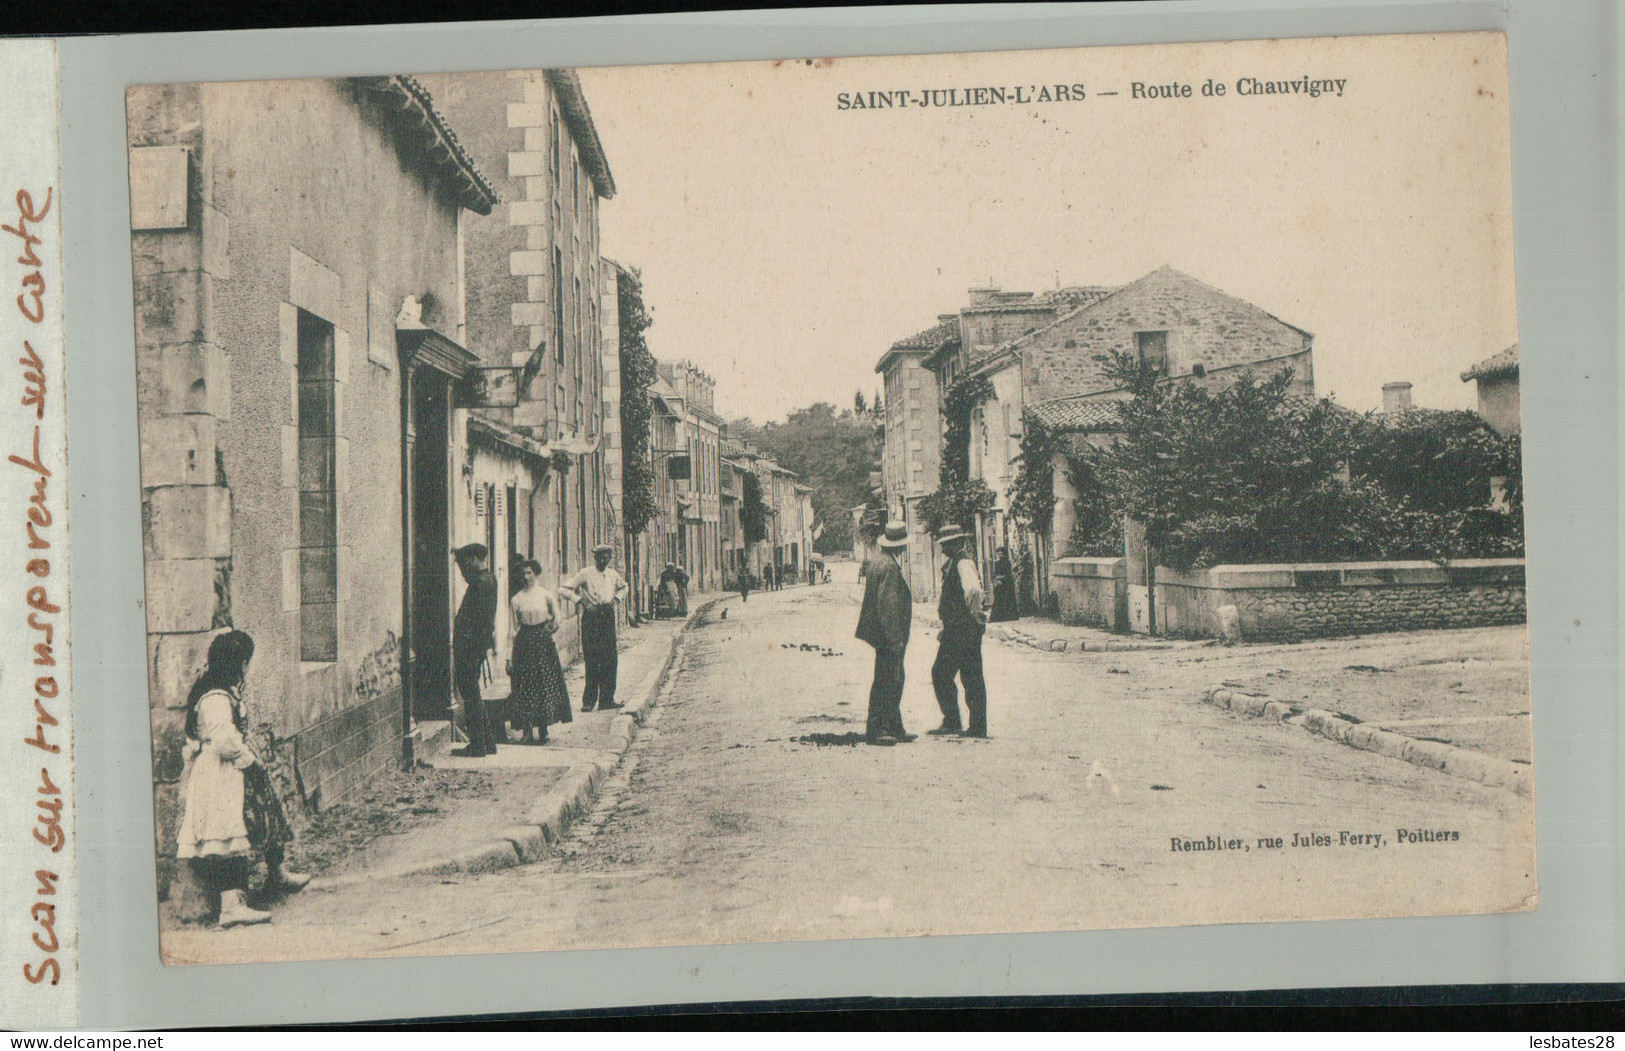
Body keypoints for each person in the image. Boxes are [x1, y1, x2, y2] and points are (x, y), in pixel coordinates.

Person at [176, 630, 309, 929]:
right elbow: (224, 741)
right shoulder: (214, 698)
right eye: (246, 662)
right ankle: (231, 907)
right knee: (226, 834)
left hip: (232, 770)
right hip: (219, 774)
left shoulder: (223, 691)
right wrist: (250, 761)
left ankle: (277, 875)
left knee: (265, 817)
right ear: (237, 664)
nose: (248, 668)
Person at [855, 522, 915, 746]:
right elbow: (888, 605)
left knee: (888, 677)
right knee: (889, 679)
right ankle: (879, 729)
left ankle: (893, 726)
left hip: (879, 633)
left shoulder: (878, 560)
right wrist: (895, 640)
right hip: (888, 634)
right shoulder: (889, 567)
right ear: (899, 546)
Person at [929, 525, 989, 738]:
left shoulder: (963, 563)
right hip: (958, 630)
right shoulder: (957, 562)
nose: (943, 549)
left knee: (943, 673)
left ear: (957, 543)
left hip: (961, 631)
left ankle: (959, 722)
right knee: (967, 675)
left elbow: (973, 592)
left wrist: (974, 617)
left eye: (946, 544)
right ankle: (972, 724)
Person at [507, 559, 572, 744]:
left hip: (543, 644)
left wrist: (547, 632)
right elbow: (512, 630)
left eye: (529, 573)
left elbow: (557, 617)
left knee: (543, 685)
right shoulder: (517, 599)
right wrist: (508, 658)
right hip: (523, 644)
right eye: (523, 574)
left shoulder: (545, 595)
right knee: (524, 686)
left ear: (535, 573)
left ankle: (543, 729)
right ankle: (527, 730)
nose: (526, 577)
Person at [562, 543, 630, 712]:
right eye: (600, 556)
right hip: (591, 617)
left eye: (606, 556)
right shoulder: (585, 574)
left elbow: (624, 587)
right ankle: (589, 701)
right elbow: (564, 589)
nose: (603, 559)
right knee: (592, 658)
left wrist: (617, 599)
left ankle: (607, 699)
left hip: (607, 614)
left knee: (610, 658)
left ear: (610, 558)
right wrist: (582, 601)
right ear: (595, 558)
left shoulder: (613, 574)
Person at [451, 543, 499, 758]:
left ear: (473, 560)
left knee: (470, 695)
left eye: (463, 564)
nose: (462, 571)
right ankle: (487, 743)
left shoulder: (479, 584)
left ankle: (478, 746)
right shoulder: (489, 579)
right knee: (474, 693)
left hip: (470, 647)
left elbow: (476, 621)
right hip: (476, 646)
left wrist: (465, 642)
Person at [991, 547, 1020, 622]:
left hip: (1007, 583)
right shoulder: (996, 563)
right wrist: (996, 578)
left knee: (1008, 598)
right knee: (997, 596)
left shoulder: (1007, 563)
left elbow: (1008, 573)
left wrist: (1002, 578)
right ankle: (999, 616)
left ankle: (1009, 615)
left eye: (1001, 554)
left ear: (1004, 554)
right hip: (1000, 583)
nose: (1000, 555)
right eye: (998, 554)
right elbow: (995, 573)